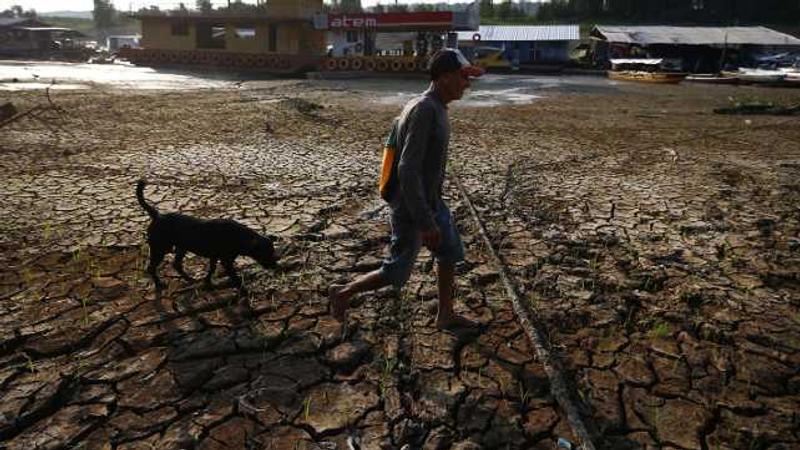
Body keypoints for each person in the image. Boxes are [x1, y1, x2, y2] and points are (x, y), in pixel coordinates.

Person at [328, 48, 484, 330]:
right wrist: (425, 221)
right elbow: (407, 169)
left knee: (450, 252)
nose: (467, 84)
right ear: (445, 77)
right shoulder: (424, 109)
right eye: (463, 77)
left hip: (431, 201)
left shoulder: (434, 106)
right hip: (413, 206)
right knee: (397, 271)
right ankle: (343, 292)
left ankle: (445, 314)